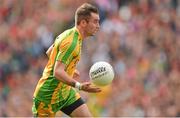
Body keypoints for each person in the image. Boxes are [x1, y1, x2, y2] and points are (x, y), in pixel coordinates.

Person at [32, 3, 101, 117]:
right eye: (95, 21)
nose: (98, 26)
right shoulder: (71, 42)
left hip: (65, 93)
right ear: (83, 23)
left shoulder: (70, 33)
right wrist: (80, 86)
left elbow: (50, 52)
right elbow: (57, 72)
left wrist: (68, 70)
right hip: (47, 98)